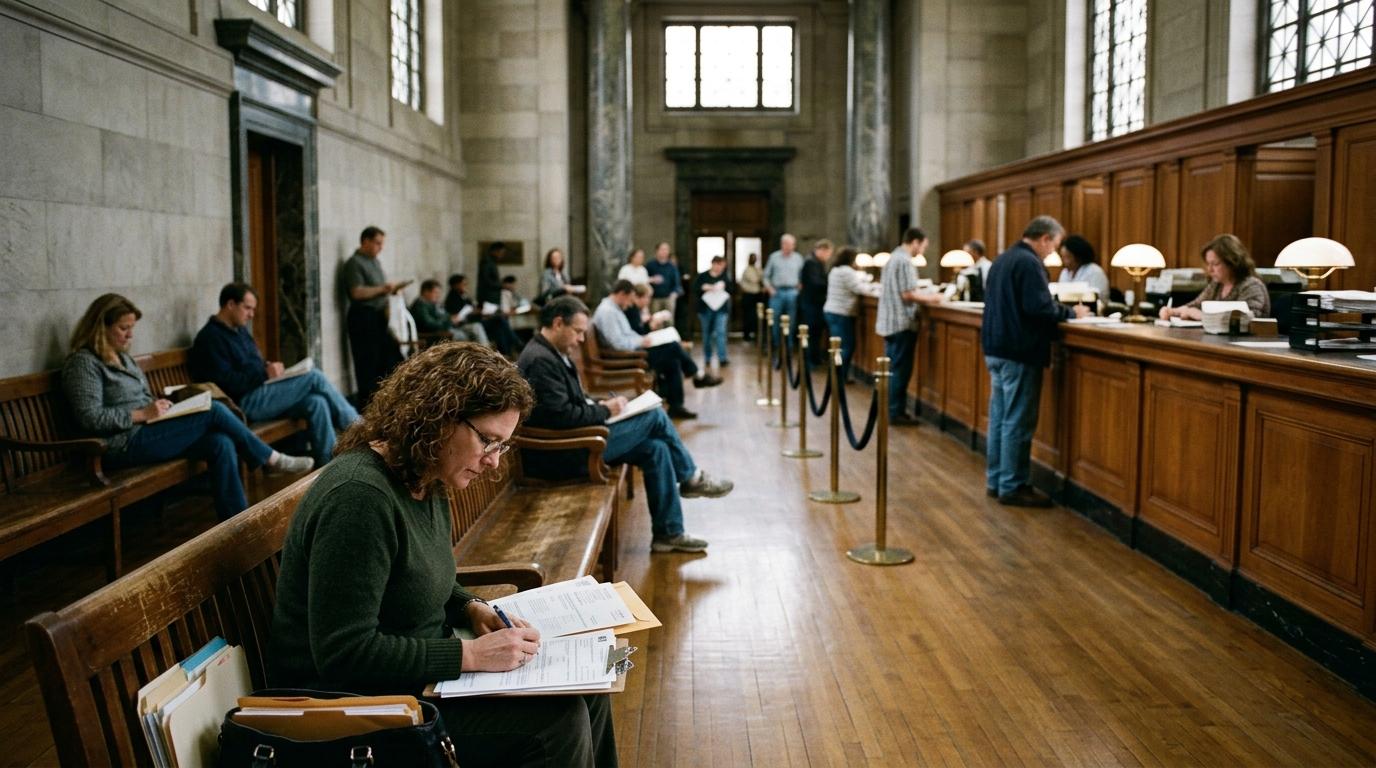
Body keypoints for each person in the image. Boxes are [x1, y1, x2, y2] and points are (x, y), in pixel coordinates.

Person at [268, 343, 616, 767]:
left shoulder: (425, 477)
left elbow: (419, 575)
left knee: (589, 692)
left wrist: (469, 607)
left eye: (501, 447)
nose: (492, 463)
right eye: (488, 441)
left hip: (414, 684)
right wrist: (470, 656)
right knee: (556, 722)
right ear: (437, 416)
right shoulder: (359, 498)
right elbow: (344, 653)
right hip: (351, 710)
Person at [63, 294, 312, 521]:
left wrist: (160, 406)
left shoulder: (123, 357)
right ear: (100, 327)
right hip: (121, 443)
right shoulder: (83, 364)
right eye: (123, 328)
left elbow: (143, 396)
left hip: (149, 430)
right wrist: (141, 414)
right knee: (213, 410)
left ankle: (237, 523)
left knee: (220, 443)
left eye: (131, 329)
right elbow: (89, 417)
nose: (130, 336)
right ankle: (270, 458)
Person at [518, 296, 733, 553]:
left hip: (579, 440)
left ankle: (669, 532)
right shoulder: (540, 359)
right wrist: (604, 409)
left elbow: (571, 403)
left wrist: (603, 404)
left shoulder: (553, 352)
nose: (581, 339)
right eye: (577, 332)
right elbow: (561, 418)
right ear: (557, 324)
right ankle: (691, 477)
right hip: (565, 452)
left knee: (656, 449)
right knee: (654, 416)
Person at [191, 282, 359, 469]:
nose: (251, 315)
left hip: (261, 392)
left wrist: (270, 368)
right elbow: (226, 383)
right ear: (230, 304)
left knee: (316, 402)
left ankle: (331, 466)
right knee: (314, 377)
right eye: (247, 308)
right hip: (242, 404)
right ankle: (358, 428)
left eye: (253, 309)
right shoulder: (210, 338)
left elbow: (252, 365)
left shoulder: (239, 331)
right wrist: (264, 374)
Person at [983, 216, 1090, 507]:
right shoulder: (1029, 263)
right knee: (1017, 420)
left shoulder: (1003, 258)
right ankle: (1013, 485)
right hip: (1019, 351)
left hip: (996, 348)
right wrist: (1072, 314)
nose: (1052, 252)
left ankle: (996, 480)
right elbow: (1038, 307)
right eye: (1053, 246)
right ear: (1044, 238)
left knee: (1000, 419)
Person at [594, 280, 719, 420]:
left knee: (673, 360)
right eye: (629, 299)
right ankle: (697, 375)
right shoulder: (608, 312)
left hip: (632, 352)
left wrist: (643, 338)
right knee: (672, 347)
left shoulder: (613, 308)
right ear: (622, 294)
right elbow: (617, 343)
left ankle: (677, 406)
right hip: (625, 358)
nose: (629, 304)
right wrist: (641, 340)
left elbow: (627, 334)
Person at [341, 226, 410, 406]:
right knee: (368, 364)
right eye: (378, 243)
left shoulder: (375, 262)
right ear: (366, 241)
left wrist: (391, 291)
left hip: (379, 317)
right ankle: (368, 408)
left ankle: (388, 403)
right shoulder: (354, 263)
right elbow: (356, 292)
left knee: (391, 360)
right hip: (363, 317)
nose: (381, 247)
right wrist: (383, 289)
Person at [876, 228, 933, 424]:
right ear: (915, 242)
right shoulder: (905, 261)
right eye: (923, 247)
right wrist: (933, 298)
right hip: (901, 322)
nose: (922, 252)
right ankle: (895, 412)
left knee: (892, 368)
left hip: (889, 322)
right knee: (900, 370)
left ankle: (889, 408)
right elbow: (908, 294)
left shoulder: (892, 258)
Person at [1159, 234, 1271, 320]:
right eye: (1208, 264)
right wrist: (1171, 311)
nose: (1210, 269)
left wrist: (1201, 315)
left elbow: (1249, 318)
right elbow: (1194, 306)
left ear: (1232, 262)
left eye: (1215, 264)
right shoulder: (1216, 285)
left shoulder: (1252, 286)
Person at [822, 246, 876, 383]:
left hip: (832, 311)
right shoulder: (847, 272)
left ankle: (837, 375)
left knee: (837, 346)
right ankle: (839, 377)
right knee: (846, 346)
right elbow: (860, 289)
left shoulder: (835, 270)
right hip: (841, 312)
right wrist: (871, 286)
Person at [478, 242, 520, 355]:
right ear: (495, 250)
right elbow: (487, 281)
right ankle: (516, 345)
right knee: (500, 321)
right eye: (501, 252)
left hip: (492, 301)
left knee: (501, 328)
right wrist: (503, 286)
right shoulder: (487, 262)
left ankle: (508, 352)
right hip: (489, 301)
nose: (502, 255)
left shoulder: (490, 261)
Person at [763, 233, 803, 348]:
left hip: (792, 292)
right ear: (783, 244)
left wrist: (800, 287)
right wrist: (769, 288)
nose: (791, 247)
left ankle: (789, 347)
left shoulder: (798, 258)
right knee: (775, 321)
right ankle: (776, 346)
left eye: (793, 245)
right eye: (789, 244)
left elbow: (802, 276)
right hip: (777, 292)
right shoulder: (774, 257)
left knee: (791, 321)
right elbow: (766, 276)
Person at [693, 255, 733, 368]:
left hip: (721, 309)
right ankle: (707, 357)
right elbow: (695, 289)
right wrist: (705, 287)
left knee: (720, 332)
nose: (721, 268)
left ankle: (722, 357)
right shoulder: (703, 276)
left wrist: (724, 287)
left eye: (723, 266)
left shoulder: (725, 277)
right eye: (719, 265)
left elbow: (731, 289)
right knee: (707, 334)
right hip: (705, 309)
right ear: (714, 264)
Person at [798, 239, 832, 365]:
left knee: (816, 333)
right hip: (811, 303)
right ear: (822, 250)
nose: (829, 256)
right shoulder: (811, 262)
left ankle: (815, 358)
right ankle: (811, 359)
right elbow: (815, 283)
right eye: (828, 253)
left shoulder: (816, 262)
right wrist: (830, 283)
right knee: (812, 332)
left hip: (815, 303)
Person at [1057, 235, 1110, 302]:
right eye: (1062, 257)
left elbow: (1098, 298)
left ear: (1079, 256)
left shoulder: (1094, 271)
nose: (1065, 261)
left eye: (1068, 257)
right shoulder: (1065, 272)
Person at [442, 273, 491, 345]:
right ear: (456, 285)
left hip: (469, 322)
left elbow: (472, 307)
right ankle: (486, 350)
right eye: (463, 284)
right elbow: (457, 316)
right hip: (459, 324)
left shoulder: (463, 296)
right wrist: (472, 312)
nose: (465, 286)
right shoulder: (452, 298)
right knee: (476, 327)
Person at [646, 242, 683, 323]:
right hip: (655, 298)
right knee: (655, 321)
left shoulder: (672, 266)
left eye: (666, 249)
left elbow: (677, 283)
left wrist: (674, 293)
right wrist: (652, 279)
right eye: (662, 249)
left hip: (668, 298)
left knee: (669, 322)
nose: (664, 251)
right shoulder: (650, 265)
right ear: (657, 251)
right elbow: (644, 280)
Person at [738, 253, 765, 340]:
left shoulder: (757, 269)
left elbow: (763, 278)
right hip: (748, 295)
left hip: (757, 295)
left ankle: (757, 334)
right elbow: (755, 279)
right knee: (748, 315)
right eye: (752, 258)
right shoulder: (747, 270)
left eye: (755, 258)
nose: (754, 260)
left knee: (757, 315)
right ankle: (746, 335)